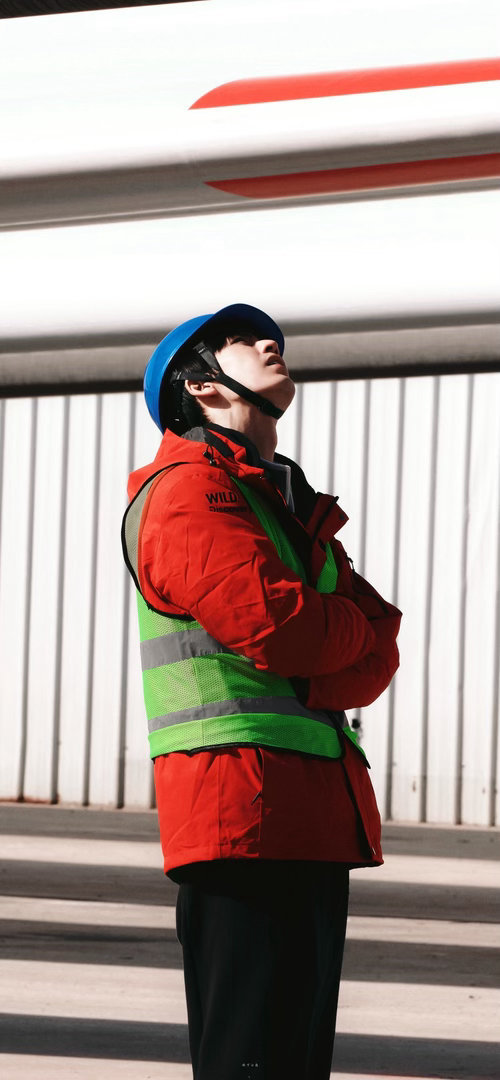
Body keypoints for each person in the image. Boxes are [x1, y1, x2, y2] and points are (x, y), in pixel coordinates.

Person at [122, 303, 401, 1080]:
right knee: (247, 1062)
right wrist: (333, 635)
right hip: (237, 813)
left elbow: (379, 648)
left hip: (311, 815)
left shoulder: (283, 503)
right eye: (240, 340)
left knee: (295, 1063)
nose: (269, 343)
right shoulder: (187, 491)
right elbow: (285, 629)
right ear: (201, 387)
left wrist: (331, 634)